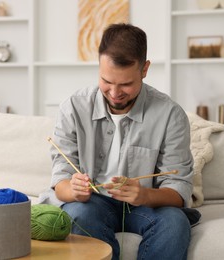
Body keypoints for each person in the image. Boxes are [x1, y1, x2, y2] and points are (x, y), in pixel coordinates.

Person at [46, 23, 200, 260]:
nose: (115, 92)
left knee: (174, 224)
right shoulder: (73, 108)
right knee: (77, 213)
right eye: (106, 81)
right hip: (92, 203)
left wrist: (144, 196)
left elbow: (178, 189)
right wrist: (74, 191)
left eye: (126, 84)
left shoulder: (170, 114)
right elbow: (60, 178)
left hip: (147, 205)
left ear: (145, 69)